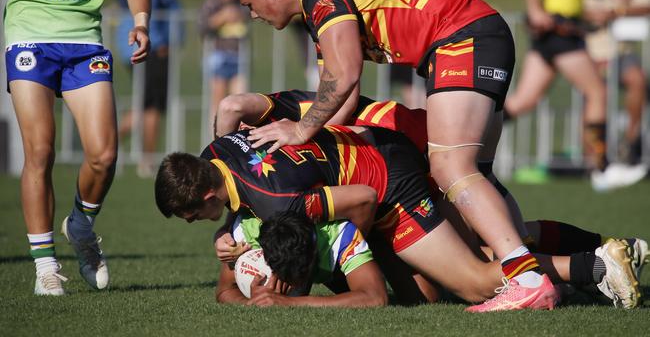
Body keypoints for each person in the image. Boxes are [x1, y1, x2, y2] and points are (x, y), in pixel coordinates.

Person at [225, 0, 549, 311]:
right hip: (473, 35)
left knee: (450, 167)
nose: (252, 15)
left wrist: (299, 131)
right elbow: (341, 98)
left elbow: (345, 74)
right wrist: (310, 148)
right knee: (477, 177)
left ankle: (526, 279)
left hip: (461, 38)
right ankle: (549, 273)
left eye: (249, 4)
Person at [155, 126, 644, 310]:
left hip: (389, 185)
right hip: (375, 155)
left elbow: (362, 201)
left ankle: (596, 264)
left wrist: (350, 256)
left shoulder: (277, 202)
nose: (190, 223)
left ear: (205, 192)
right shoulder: (215, 152)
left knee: (472, 281)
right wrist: (225, 230)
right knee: (434, 287)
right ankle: (596, 244)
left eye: (190, 213)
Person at [215, 88, 649, 280]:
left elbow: (233, 104)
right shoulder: (291, 109)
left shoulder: (294, 120)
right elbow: (235, 105)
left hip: (415, 153)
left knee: (480, 264)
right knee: (506, 237)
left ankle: (596, 264)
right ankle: (609, 247)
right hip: (427, 138)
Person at [0, 0, 150, 296]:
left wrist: (140, 22)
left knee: (104, 156)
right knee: (40, 151)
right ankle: (46, 267)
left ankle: (81, 224)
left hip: (85, 39)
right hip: (29, 34)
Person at [504, 0, 645, 186]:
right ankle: (602, 170)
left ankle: (466, 139)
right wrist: (534, 7)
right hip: (557, 29)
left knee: (521, 102)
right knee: (597, 92)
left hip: (561, 30)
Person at [116, 0, 180, 177]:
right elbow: (156, 2)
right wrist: (165, 40)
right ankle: (140, 157)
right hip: (149, 44)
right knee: (149, 105)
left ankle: (112, 146)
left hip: (137, 43)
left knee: (147, 103)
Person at [216, 211, 389, 307]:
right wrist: (251, 302)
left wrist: (288, 302)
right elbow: (224, 291)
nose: (284, 283)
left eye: (290, 276)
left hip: (386, 219)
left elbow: (375, 297)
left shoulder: (340, 235)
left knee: (412, 296)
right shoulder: (249, 234)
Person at [583, 0, 650, 178]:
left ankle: (630, 141)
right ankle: (594, 162)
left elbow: (646, 3)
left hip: (620, 51)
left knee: (637, 79)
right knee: (594, 98)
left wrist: (616, 12)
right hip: (590, 53)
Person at [198, 0, 249, 124]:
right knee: (218, 101)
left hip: (239, 56)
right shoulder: (211, 4)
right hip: (218, 56)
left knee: (240, 100)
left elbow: (248, 16)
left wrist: (237, 15)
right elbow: (202, 27)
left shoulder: (240, 3)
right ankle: (215, 137)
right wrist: (220, 18)